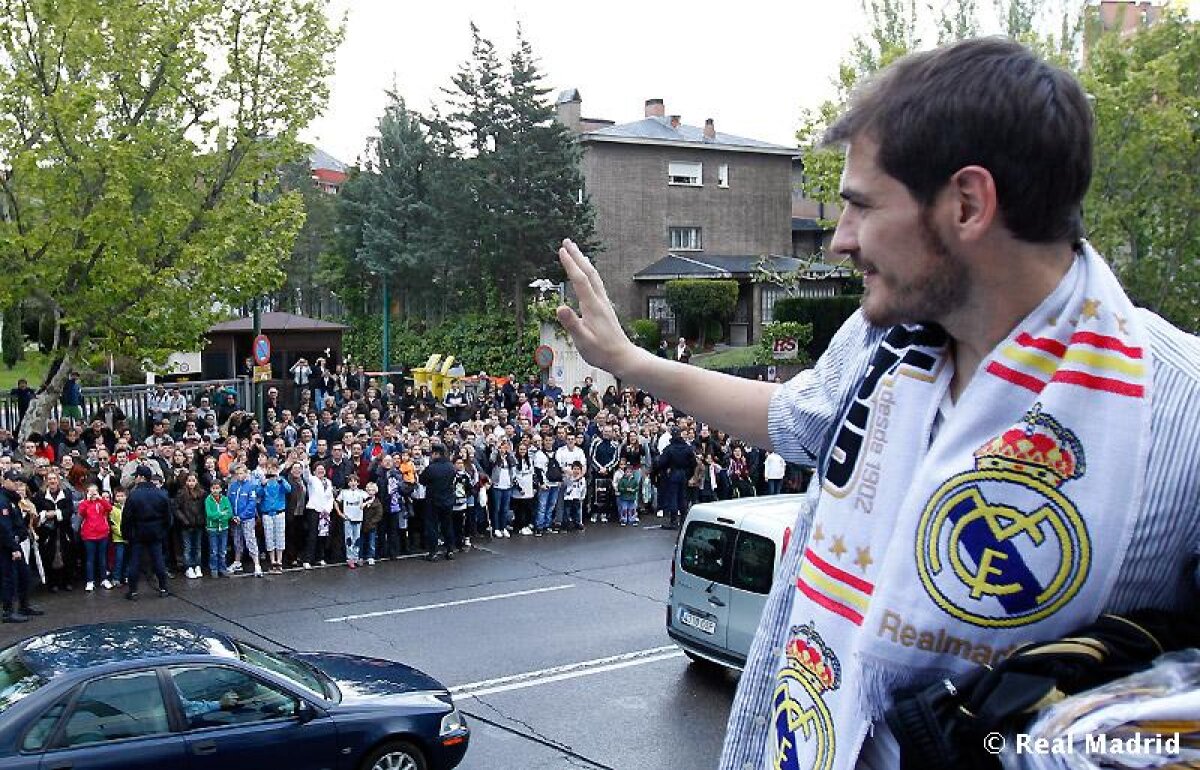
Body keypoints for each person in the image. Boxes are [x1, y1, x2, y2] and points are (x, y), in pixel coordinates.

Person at [553, 38, 1200, 770]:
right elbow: (789, 419)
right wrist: (629, 363)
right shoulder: (879, 345)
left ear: (967, 204)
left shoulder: (1181, 410)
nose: (838, 242)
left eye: (860, 205)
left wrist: (1070, 737)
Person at [0, 470, 44, 623]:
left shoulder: (13, 499)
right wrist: (13, 548)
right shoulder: (2, 500)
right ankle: (7, 611)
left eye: (18, 480)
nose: (16, 483)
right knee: (9, 578)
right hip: (7, 546)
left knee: (24, 575)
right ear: (4, 480)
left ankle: (24, 606)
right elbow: (3, 528)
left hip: (16, 542)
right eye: (13, 480)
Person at [121, 465, 171, 600]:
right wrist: (163, 530)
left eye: (136, 476)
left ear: (141, 477)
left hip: (138, 531)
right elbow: (168, 516)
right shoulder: (160, 494)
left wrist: (125, 534)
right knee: (158, 559)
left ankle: (133, 591)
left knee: (135, 561)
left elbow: (126, 518)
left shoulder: (133, 495)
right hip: (156, 531)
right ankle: (163, 587)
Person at [419, 444, 456, 562]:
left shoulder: (431, 468)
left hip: (433, 500)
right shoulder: (450, 466)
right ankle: (450, 550)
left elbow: (422, 480)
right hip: (448, 500)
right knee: (447, 525)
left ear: (436, 454)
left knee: (432, 527)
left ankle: (433, 552)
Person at [77, 484, 113, 591]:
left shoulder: (101, 503)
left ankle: (104, 579)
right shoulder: (84, 503)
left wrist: (100, 499)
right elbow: (81, 512)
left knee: (102, 558)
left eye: (95, 492)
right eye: (90, 492)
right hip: (89, 535)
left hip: (102, 534)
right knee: (90, 559)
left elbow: (109, 508)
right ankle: (90, 581)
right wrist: (87, 500)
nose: (93, 494)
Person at [335, 474, 368, 568]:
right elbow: (336, 502)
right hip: (348, 519)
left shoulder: (361, 492)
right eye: (351, 481)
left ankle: (356, 557)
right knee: (348, 539)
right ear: (348, 483)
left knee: (357, 539)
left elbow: (371, 498)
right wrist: (340, 513)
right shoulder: (344, 492)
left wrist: (365, 503)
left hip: (358, 519)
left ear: (358, 483)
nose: (353, 483)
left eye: (355, 481)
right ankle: (349, 559)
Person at [204, 480, 233, 577]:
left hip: (223, 528)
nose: (215, 490)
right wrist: (221, 514)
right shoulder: (208, 500)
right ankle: (214, 569)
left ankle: (222, 568)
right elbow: (209, 515)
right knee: (214, 550)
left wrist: (222, 516)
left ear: (221, 489)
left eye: (217, 488)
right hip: (212, 528)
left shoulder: (225, 499)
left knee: (223, 550)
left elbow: (229, 513)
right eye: (213, 488)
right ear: (210, 489)